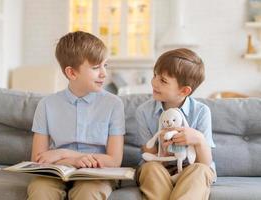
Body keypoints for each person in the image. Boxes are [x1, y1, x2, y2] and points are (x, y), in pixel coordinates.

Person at [27, 31, 125, 200]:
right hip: (58, 171)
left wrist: (62, 153)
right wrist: (71, 160)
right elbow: (38, 159)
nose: (104, 73)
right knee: (40, 190)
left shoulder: (114, 104)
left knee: (88, 192)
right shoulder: (46, 105)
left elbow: (114, 160)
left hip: (96, 173)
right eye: (96, 67)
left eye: (105, 65)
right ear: (72, 73)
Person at [136, 48, 216, 200]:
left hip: (190, 168)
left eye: (163, 80)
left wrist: (198, 139)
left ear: (184, 91)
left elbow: (205, 163)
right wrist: (163, 151)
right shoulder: (144, 112)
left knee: (200, 170)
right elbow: (148, 155)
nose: (154, 82)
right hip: (160, 168)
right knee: (150, 168)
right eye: (155, 75)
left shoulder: (201, 111)